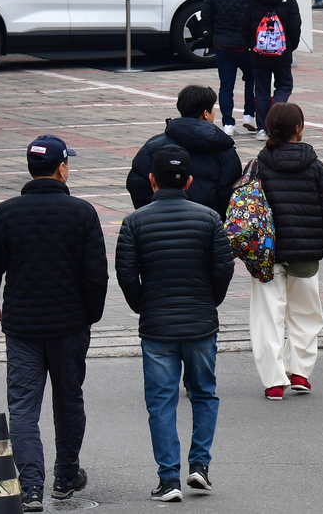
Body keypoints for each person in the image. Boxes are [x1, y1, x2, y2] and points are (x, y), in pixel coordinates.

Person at [0, 135, 107, 512]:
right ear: (62, 168)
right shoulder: (82, 213)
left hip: (22, 327)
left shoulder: (6, 212)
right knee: (69, 400)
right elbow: (96, 275)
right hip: (69, 326)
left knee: (23, 408)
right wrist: (89, 317)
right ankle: (65, 478)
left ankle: (31, 487)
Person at [115, 145, 234, 503]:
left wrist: (142, 305)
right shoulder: (210, 219)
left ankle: (169, 479)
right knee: (204, 394)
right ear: (190, 181)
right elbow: (224, 268)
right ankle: (199, 465)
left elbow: (125, 273)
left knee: (161, 402)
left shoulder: (134, 222)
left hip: (157, 326)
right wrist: (209, 300)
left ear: (152, 180)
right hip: (200, 322)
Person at [251, 102, 323, 400]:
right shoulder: (316, 167)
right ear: (298, 128)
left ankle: (273, 381)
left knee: (268, 316)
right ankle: (300, 373)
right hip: (305, 253)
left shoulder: (258, 164)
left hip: (267, 254)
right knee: (305, 314)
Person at [125, 84, 242, 219]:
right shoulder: (224, 150)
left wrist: (152, 213)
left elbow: (137, 183)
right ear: (205, 113)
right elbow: (230, 195)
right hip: (205, 224)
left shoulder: (154, 145)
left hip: (159, 222)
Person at [240, 0, 302, 139]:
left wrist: (251, 45)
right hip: (282, 53)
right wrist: (290, 47)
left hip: (258, 54)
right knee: (284, 85)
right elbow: (294, 27)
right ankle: (277, 114)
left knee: (261, 90)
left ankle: (262, 128)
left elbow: (244, 26)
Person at [203, 0, 258, 136]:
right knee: (251, 79)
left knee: (226, 84)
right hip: (245, 46)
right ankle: (249, 115)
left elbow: (206, 16)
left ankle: (228, 123)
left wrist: (216, 33)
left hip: (223, 45)